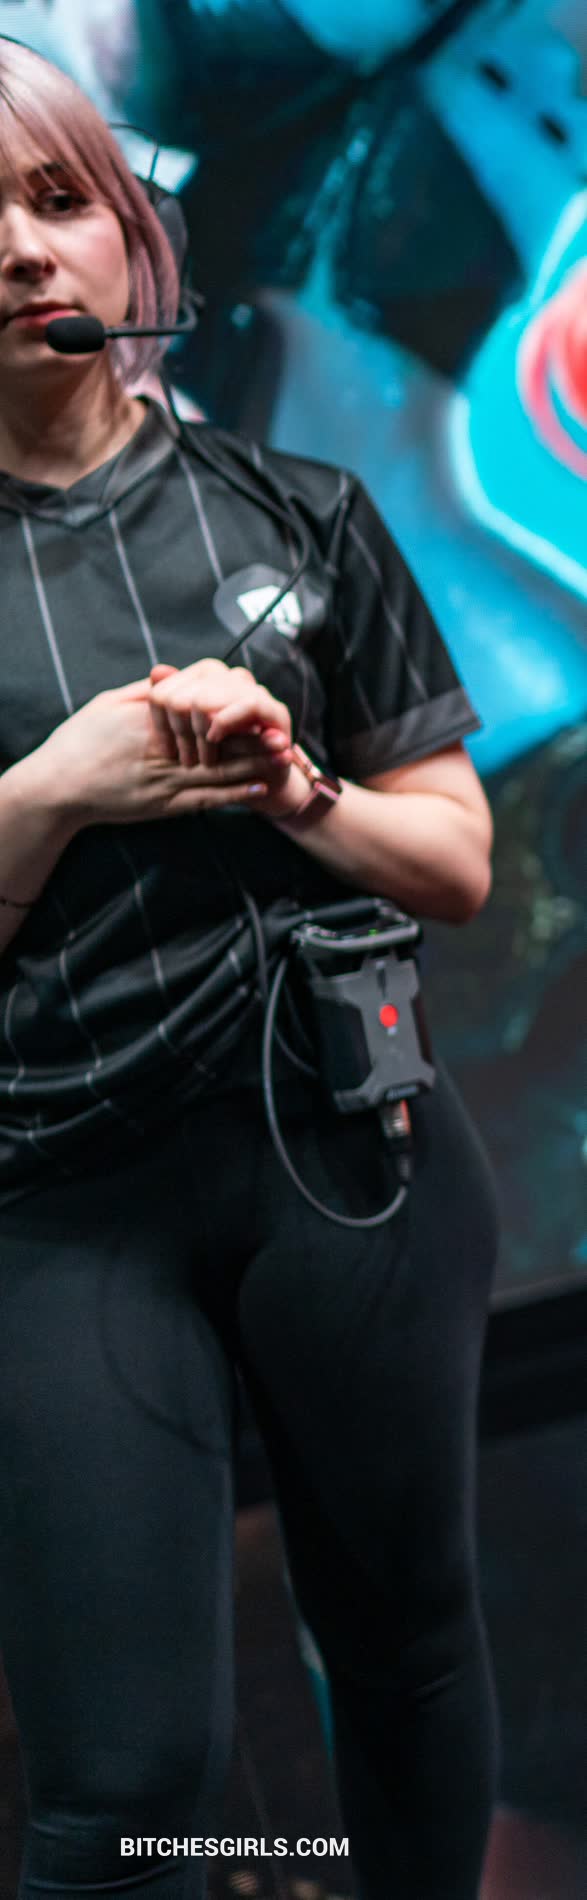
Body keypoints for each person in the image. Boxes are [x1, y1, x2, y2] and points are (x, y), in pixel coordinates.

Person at [0, 36, 501, 1900]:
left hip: (353, 1159)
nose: (22, 249)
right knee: (131, 1782)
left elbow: (456, 860)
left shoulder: (308, 513)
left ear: (132, 236)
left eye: (59, 199)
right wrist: (54, 792)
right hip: (57, 1206)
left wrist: (304, 795)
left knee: (408, 1646)